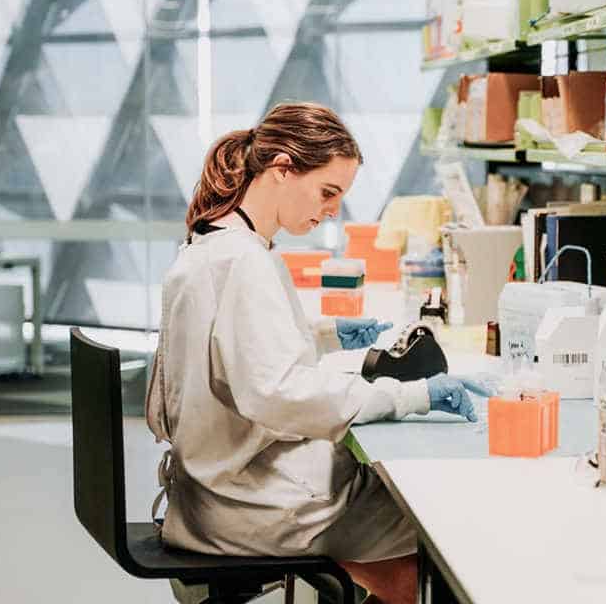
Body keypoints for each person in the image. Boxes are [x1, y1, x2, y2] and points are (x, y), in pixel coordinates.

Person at [146, 102, 485, 604]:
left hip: (207, 488)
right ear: (282, 168)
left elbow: (230, 357)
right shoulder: (244, 261)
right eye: (328, 192)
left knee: (395, 525)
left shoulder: (214, 242)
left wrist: (325, 334)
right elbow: (280, 392)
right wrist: (411, 395)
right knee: (436, 522)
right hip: (247, 501)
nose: (332, 209)